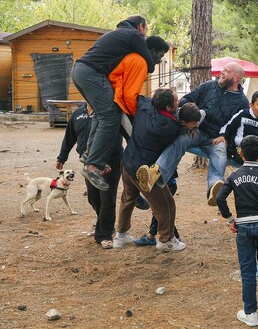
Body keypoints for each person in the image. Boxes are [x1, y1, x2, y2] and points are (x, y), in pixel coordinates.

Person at [136, 62, 249, 206]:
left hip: (216, 137)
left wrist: (227, 143)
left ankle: (214, 188)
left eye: (226, 71)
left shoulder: (242, 101)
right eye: (222, 69)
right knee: (180, 140)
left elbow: (237, 127)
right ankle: (156, 174)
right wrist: (185, 117)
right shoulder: (209, 86)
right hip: (197, 129)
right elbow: (188, 99)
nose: (221, 72)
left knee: (220, 152)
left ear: (236, 78)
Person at [72, 15, 155, 191]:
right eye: (146, 30)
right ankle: (93, 166)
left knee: (101, 114)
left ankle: (89, 153)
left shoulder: (117, 34)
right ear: (141, 26)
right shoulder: (134, 35)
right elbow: (149, 62)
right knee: (111, 116)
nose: (145, 35)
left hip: (80, 71)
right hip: (92, 74)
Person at [114, 89, 202, 251]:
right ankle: (166, 240)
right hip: (144, 171)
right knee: (166, 205)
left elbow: (137, 96)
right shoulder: (170, 127)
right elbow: (181, 133)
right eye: (176, 102)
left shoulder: (144, 105)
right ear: (169, 107)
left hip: (127, 162)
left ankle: (121, 235)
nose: (179, 104)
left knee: (127, 198)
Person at [216, 135, 258, 327]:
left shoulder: (234, 176)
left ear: (240, 153)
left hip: (243, 226)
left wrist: (230, 219)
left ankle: (250, 313)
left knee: (248, 271)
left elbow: (220, 198)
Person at [55, 103, 122, 249]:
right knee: (93, 197)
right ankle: (104, 223)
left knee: (107, 198)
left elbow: (119, 135)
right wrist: (62, 157)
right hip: (89, 162)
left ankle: (104, 234)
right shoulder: (78, 113)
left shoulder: (108, 112)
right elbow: (70, 136)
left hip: (110, 162)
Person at [108, 35, 171, 139]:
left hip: (115, 100)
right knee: (137, 140)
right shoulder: (140, 62)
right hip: (118, 103)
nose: (160, 61)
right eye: (160, 55)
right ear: (153, 50)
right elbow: (129, 96)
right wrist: (139, 115)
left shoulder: (135, 58)